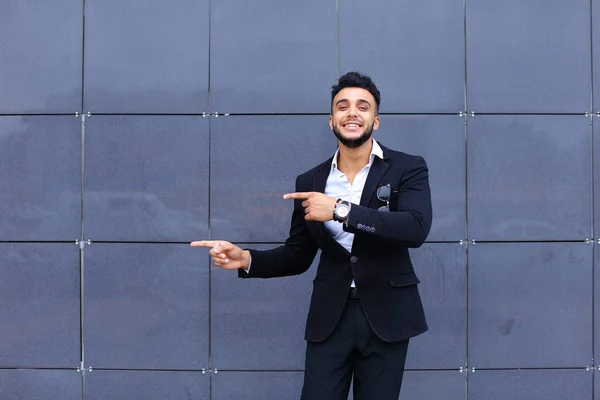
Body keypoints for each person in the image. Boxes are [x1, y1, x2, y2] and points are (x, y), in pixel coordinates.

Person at [191, 71, 432, 400]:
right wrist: (246, 258)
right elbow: (297, 255)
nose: (352, 112)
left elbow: (415, 228)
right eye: (342, 106)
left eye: (363, 107)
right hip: (330, 317)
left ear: (375, 121)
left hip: (388, 315)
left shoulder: (407, 167)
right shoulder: (311, 180)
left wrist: (340, 210)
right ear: (331, 120)